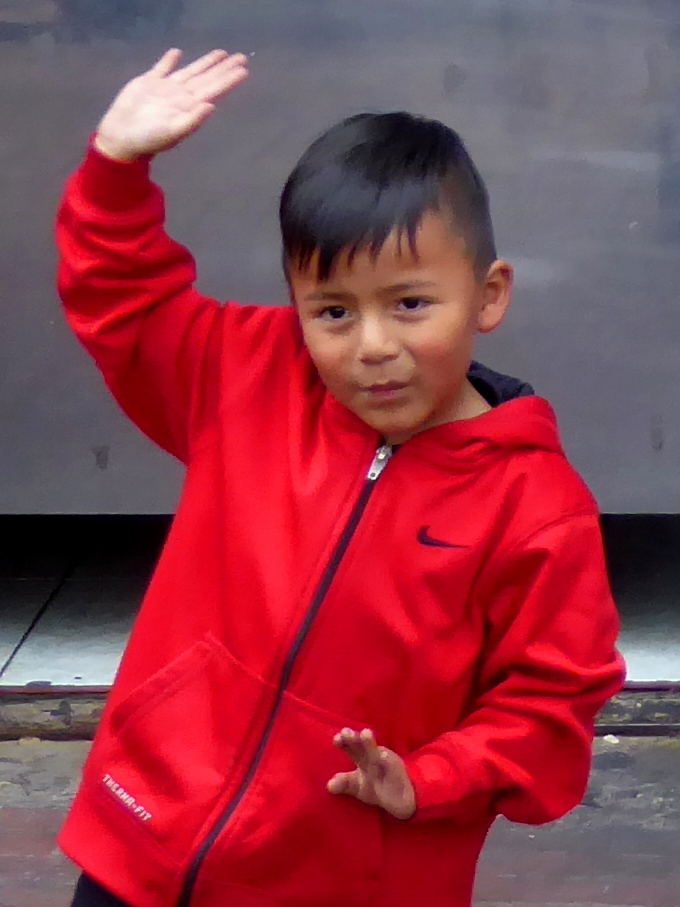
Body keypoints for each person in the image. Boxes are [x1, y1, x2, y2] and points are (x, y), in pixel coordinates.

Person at [57, 48, 625, 907]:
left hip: (348, 879)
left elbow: (551, 703)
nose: (370, 346)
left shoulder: (536, 508)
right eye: (331, 310)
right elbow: (125, 301)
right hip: (143, 847)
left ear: (489, 294)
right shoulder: (248, 376)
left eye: (409, 303)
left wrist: (431, 777)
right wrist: (114, 167)